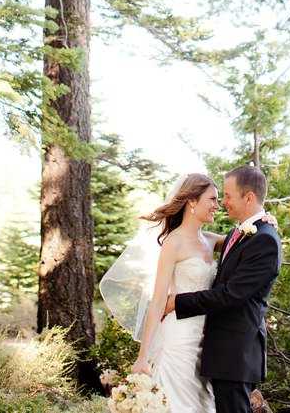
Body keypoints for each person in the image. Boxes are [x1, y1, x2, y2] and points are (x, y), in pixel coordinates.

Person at [163, 165, 282, 413]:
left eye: (227, 196)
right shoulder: (238, 234)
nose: (223, 203)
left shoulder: (265, 240)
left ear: (249, 197)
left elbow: (231, 295)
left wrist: (177, 302)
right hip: (220, 353)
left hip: (236, 354)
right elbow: (201, 241)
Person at [111, 173, 225, 413]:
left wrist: (263, 221)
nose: (218, 206)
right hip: (179, 340)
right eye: (212, 199)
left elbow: (246, 241)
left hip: (208, 340)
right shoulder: (174, 243)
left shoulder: (210, 240)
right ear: (192, 202)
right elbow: (158, 302)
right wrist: (142, 357)